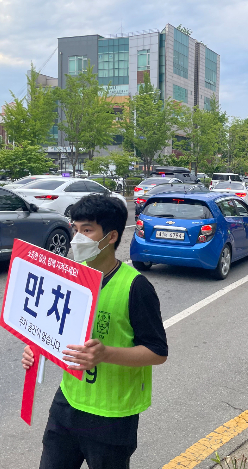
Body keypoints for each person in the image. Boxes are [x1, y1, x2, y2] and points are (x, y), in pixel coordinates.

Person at [22, 195, 168, 469]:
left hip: (112, 416)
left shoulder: (136, 287)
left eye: (87, 230)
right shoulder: (70, 276)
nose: (77, 238)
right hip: (67, 403)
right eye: (75, 229)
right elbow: (53, 327)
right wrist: (36, 348)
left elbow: (158, 352)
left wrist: (106, 354)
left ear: (111, 236)